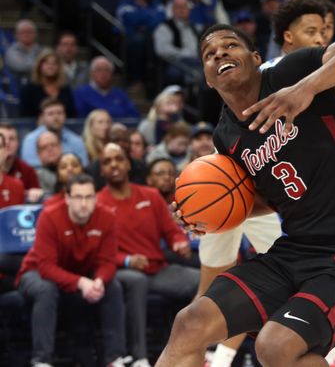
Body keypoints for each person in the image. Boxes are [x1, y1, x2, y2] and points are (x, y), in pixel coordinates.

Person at [155, 21, 335, 367]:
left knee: (275, 346)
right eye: (209, 53)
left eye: (230, 45)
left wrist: (307, 88)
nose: (219, 52)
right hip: (293, 251)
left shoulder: (291, 73)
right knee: (190, 323)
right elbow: (264, 200)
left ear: (255, 57)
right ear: (207, 78)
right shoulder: (225, 136)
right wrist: (204, 215)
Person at [97, 142, 199, 367]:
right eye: (107, 162)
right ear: (101, 170)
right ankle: (139, 358)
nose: (114, 165)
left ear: (128, 164)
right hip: (122, 273)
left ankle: (199, 349)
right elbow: (96, 252)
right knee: (137, 281)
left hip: (158, 270)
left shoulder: (151, 195)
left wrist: (179, 243)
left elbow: (172, 232)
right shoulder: (97, 203)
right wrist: (126, 260)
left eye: (119, 159)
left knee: (204, 282)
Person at [16, 173, 128, 367]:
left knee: (113, 286)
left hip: (78, 274)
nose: (83, 203)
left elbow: (108, 262)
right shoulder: (50, 216)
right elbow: (46, 267)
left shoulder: (107, 217)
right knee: (46, 289)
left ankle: (115, 358)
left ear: (96, 197)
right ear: (67, 198)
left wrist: (100, 280)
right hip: (35, 274)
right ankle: (42, 361)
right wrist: (82, 282)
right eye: (78, 197)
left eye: (89, 197)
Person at [21, 98, 89, 168]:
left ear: (65, 115)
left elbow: (83, 166)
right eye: (51, 114)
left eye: (59, 113)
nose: (56, 117)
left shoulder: (76, 140)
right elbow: (30, 167)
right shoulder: (30, 140)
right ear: (42, 117)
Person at [73, 57, 140, 119]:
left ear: (112, 74)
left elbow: (134, 116)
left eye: (107, 70)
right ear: (91, 73)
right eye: (99, 70)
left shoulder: (120, 94)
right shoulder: (80, 93)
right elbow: (80, 119)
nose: (103, 74)